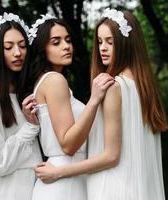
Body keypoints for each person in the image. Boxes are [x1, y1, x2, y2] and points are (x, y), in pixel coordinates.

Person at [34, 9, 168, 200]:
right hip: (139, 188)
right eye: (99, 42)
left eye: (110, 42)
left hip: (111, 187)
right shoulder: (144, 88)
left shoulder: (114, 87)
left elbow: (111, 156)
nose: (102, 48)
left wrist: (58, 172)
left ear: (126, 44)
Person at [17, 14, 114, 200]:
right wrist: (94, 100)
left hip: (65, 177)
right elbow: (68, 144)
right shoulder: (54, 80)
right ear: (42, 49)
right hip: (63, 182)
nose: (66, 46)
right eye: (56, 42)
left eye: (68, 40)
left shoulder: (46, 81)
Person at [0, 12, 42, 200]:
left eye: (22, 45)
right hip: (5, 191)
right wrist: (30, 128)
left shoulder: (24, 92)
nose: (18, 53)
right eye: (8, 47)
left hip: (31, 186)